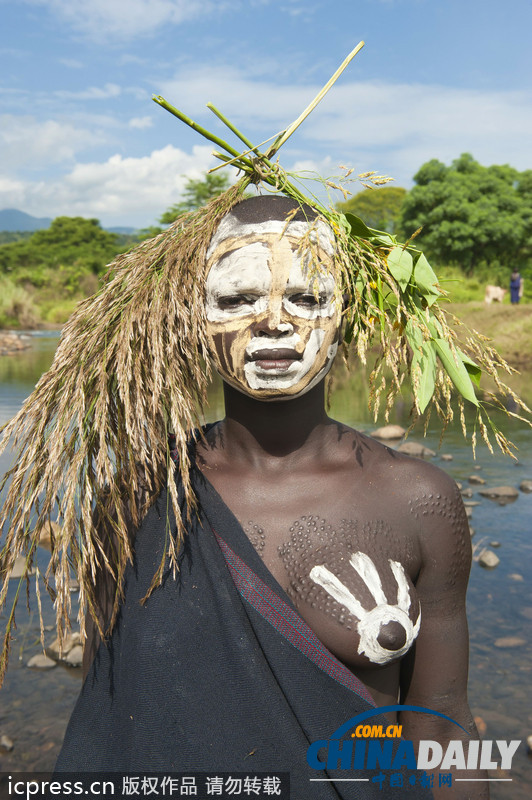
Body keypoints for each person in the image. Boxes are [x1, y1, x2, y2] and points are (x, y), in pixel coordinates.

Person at [47, 196, 486, 798]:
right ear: (193, 316)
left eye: (306, 298)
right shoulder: (140, 494)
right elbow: (114, 705)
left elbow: (442, 723)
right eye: (236, 299)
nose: (274, 321)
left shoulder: (415, 500)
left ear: (346, 313)